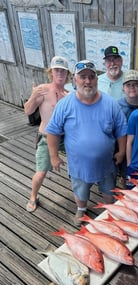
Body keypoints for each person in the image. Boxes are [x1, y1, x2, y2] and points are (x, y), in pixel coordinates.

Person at [45, 60, 127, 227]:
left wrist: (122, 151)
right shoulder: (64, 105)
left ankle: (108, 209)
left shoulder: (110, 103)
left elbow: (121, 129)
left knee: (109, 190)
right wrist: (53, 156)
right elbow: (52, 131)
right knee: (80, 192)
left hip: (107, 164)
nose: (87, 81)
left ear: (97, 79)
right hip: (79, 165)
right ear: (75, 80)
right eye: (83, 77)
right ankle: (81, 209)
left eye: (91, 77)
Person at [24, 56, 71, 212]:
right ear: (51, 72)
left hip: (66, 138)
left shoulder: (69, 94)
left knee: (80, 161)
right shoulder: (42, 89)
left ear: (67, 74)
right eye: (57, 70)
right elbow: (28, 111)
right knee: (41, 172)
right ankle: (33, 196)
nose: (60, 73)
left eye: (63, 71)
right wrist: (33, 95)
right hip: (46, 137)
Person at [117, 69, 138, 186]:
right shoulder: (117, 106)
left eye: (135, 84)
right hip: (124, 150)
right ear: (123, 88)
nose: (132, 87)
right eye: (128, 85)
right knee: (126, 177)